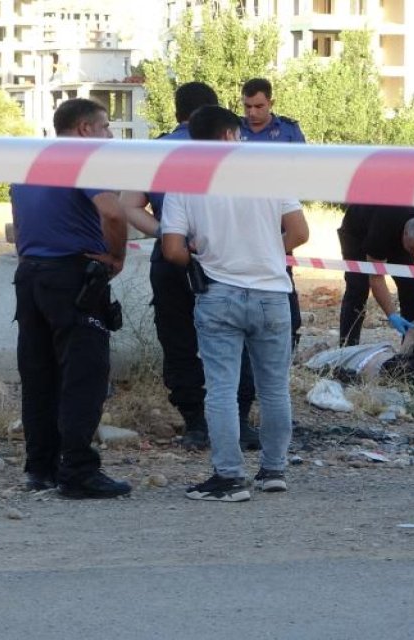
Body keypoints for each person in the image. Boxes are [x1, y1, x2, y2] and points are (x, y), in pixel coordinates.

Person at [161, 105, 308, 502]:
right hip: (273, 293)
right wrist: (266, 254)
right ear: (232, 134)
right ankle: (274, 470)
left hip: (218, 294)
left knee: (221, 390)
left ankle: (229, 477)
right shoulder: (268, 172)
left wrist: (200, 255)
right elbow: (299, 230)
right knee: (275, 388)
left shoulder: (184, 182)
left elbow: (172, 250)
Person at [120, 81, 258, 452]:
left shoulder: (157, 150)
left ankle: (196, 423)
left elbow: (130, 205)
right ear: (216, 111)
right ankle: (239, 422)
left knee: (179, 341)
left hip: (171, 260)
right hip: (227, 260)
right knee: (236, 339)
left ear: (177, 111)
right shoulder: (236, 151)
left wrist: (169, 232)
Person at [11, 98, 131, 499]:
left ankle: (40, 468)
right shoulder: (83, 158)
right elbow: (112, 213)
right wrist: (117, 255)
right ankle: (78, 469)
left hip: (30, 276)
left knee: (40, 376)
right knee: (83, 374)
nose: (109, 136)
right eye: (105, 126)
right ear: (84, 130)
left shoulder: (29, 161)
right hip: (72, 277)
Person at [239, 77, 306, 351]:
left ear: (271, 103)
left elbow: (304, 172)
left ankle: (287, 336)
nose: (252, 113)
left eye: (258, 106)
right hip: (240, 218)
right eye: (247, 107)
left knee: (280, 274)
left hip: (277, 218)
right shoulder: (232, 129)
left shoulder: (288, 131)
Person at [337, 204, 414, 348]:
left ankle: (413, 349)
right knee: (358, 287)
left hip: (396, 229)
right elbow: (376, 278)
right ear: (405, 234)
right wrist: (392, 315)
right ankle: (347, 347)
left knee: (412, 287)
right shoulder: (381, 231)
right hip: (358, 230)